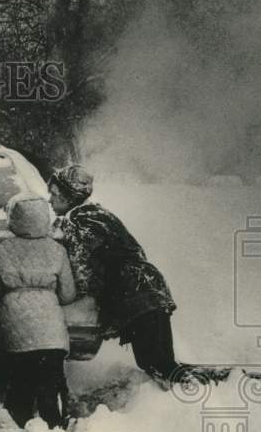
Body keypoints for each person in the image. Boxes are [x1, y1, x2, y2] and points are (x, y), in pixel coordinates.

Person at [48, 165, 188, 386]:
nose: (50, 200)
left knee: (156, 365)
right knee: (162, 363)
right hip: (149, 286)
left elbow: (81, 269)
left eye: (54, 194)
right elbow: (135, 251)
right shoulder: (98, 214)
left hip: (132, 293)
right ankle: (202, 386)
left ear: (68, 196)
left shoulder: (77, 220)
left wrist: (72, 295)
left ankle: (202, 392)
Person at [0, 193, 76, 429]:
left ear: (13, 219)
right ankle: (55, 424)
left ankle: (20, 425)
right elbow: (68, 293)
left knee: (21, 380)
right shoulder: (57, 250)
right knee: (51, 379)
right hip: (50, 329)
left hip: (16, 326)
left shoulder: (1, 250)